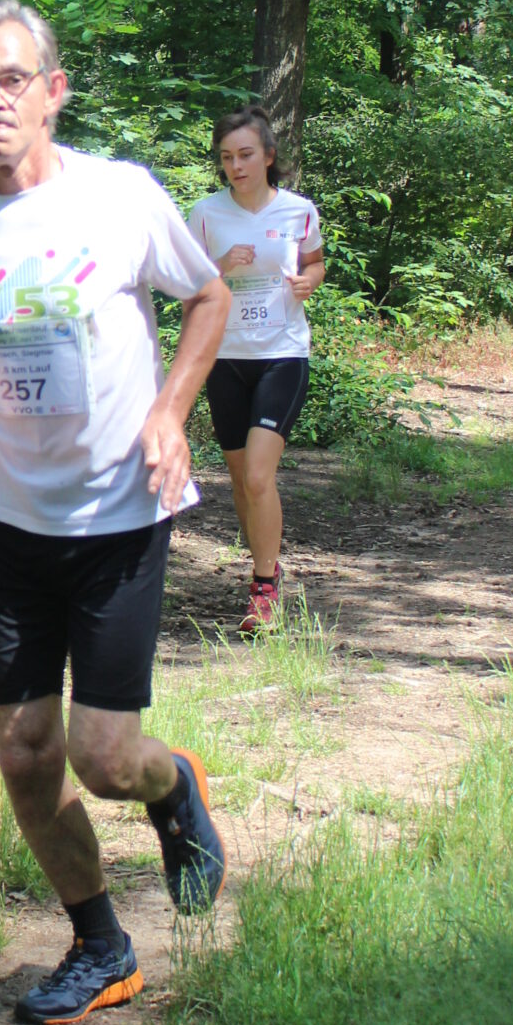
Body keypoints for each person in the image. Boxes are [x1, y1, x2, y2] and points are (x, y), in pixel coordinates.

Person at [0, 0, 233, 1025]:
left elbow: (207, 298)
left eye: (12, 78)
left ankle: (171, 786)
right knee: (27, 749)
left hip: (120, 512)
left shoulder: (119, 196)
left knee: (105, 758)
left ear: (53, 91)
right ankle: (100, 945)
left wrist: (170, 412)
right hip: (6, 521)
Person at [186, 107, 326, 637]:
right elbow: (185, 282)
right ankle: (265, 563)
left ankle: (264, 588)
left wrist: (311, 280)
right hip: (224, 357)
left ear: (268, 156)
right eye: (226, 157)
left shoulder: (298, 211)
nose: (236, 166)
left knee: (258, 476)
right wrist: (220, 265)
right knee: (242, 483)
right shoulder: (205, 214)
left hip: (282, 353)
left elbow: (315, 262)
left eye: (245, 154)